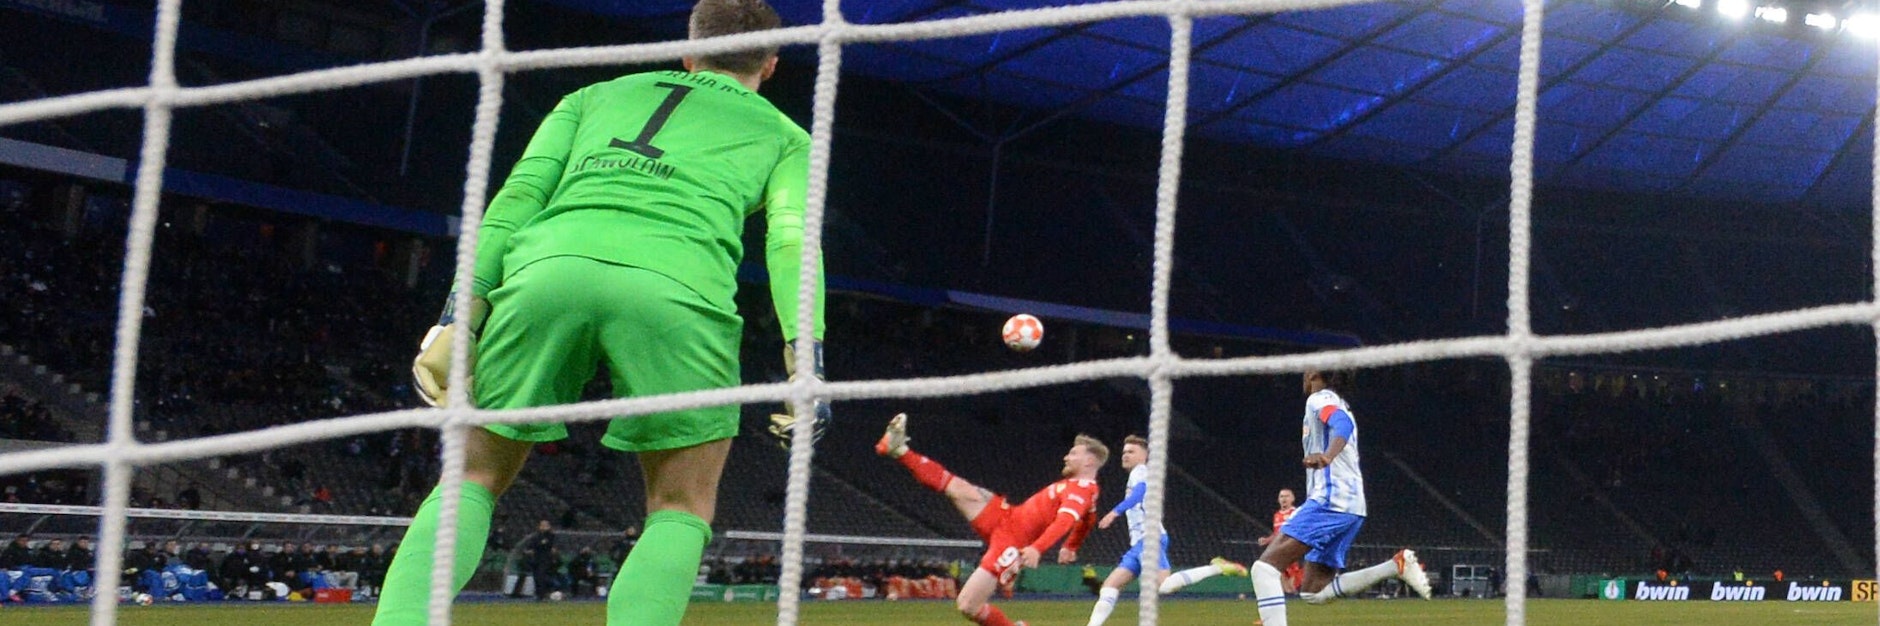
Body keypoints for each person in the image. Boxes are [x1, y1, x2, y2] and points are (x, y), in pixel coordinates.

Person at [370, 1, 823, 624]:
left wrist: (457, 314)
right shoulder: (787, 137)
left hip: (546, 272)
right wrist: (807, 357)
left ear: (688, 54)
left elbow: (518, 198)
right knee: (681, 506)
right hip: (677, 292)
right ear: (771, 65)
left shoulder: (592, 95)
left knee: (471, 478)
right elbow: (792, 243)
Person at [877, 413, 1105, 626]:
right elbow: (1088, 519)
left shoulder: (1083, 489)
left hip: (1013, 542)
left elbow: (1065, 521)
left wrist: (1037, 548)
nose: (1066, 456)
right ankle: (898, 449)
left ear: (1089, 462)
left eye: (1074, 454)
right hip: (1008, 517)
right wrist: (1071, 546)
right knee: (960, 489)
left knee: (967, 604)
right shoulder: (1084, 490)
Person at [1248, 371, 1432, 626]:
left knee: (1264, 569)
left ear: (1315, 374)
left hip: (1331, 500)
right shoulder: (1340, 402)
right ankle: (1396, 565)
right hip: (1351, 506)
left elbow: (1341, 423)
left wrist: (1327, 455)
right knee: (1314, 592)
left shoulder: (1319, 398)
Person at [1086, 435, 1246, 626]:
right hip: (1138, 543)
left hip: (1149, 539)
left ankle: (1217, 567)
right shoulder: (1136, 473)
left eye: (1131, 451)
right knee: (1109, 587)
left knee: (1164, 586)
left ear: (1145, 455)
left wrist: (1115, 512)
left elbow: (1140, 492)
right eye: (1124, 452)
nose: (1125, 455)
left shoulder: (1141, 471)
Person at [1255, 488, 1304, 593]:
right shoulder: (1277, 515)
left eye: (1287, 496)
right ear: (1278, 499)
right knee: (1277, 572)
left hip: (1291, 548)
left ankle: (1295, 590)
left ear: (1292, 499)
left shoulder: (1296, 513)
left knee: (1291, 581)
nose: (1284, 498)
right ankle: (1289, 594)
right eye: (1281, 496)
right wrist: (1267, 540)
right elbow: (1277, 534)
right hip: (1279, 549)